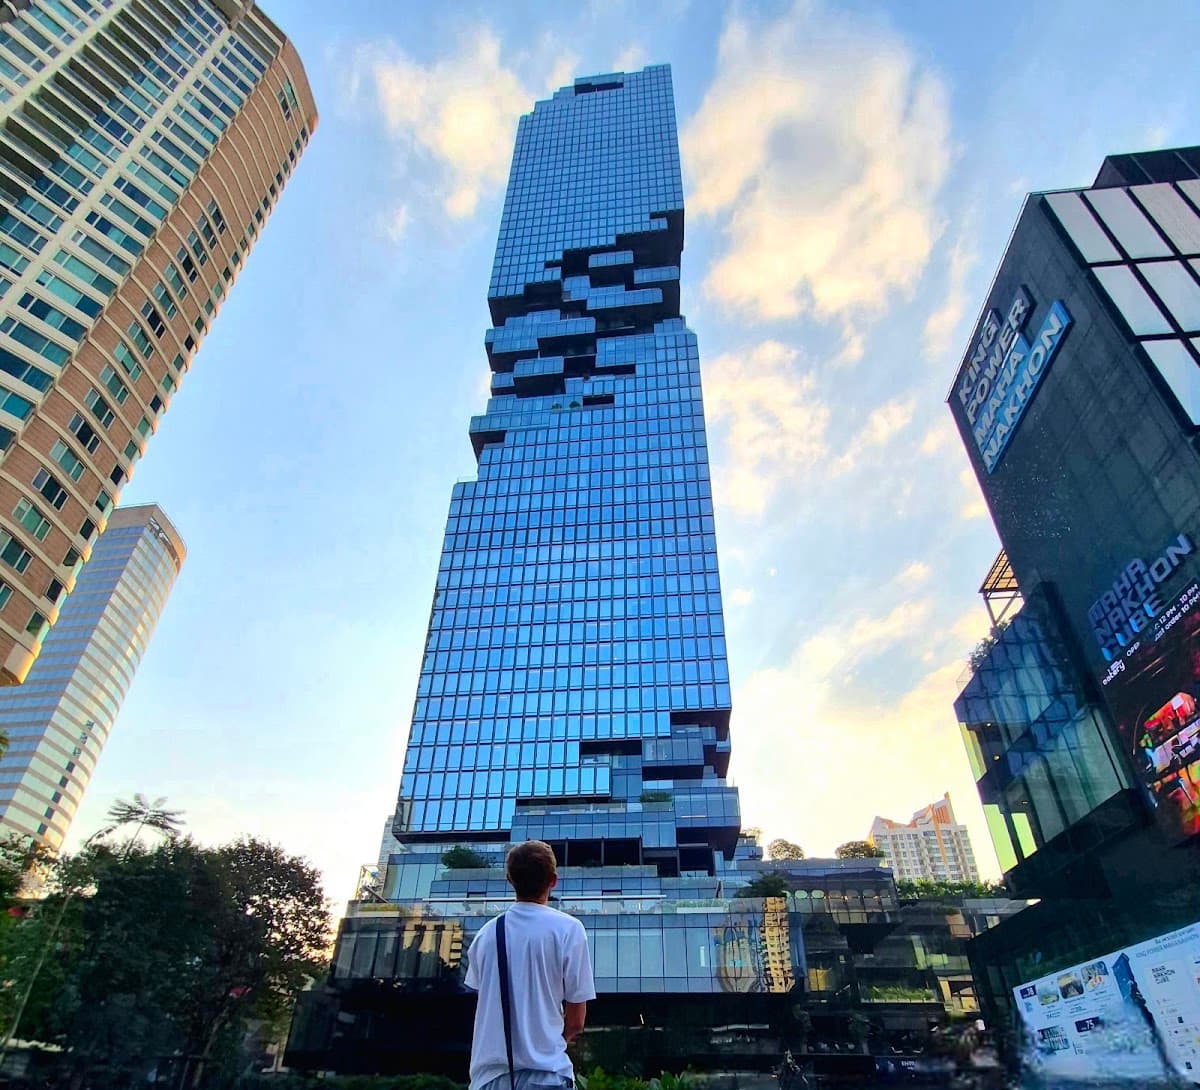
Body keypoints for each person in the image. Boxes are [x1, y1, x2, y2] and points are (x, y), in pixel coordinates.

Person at [465, 840, 596, 1090]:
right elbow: (577, 1020)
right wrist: (550, 1042)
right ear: (553, 880)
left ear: (509, 879)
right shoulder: (569, 929)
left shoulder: (486, 935)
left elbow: (484, 1000)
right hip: (547, 1075)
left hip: (489, 1079)